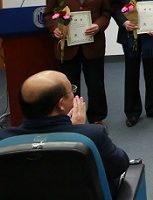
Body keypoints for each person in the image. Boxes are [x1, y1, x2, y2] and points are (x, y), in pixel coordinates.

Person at [0, 70, 129, 197]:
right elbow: (119, 165)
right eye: (72, 90)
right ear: (61, 104)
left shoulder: (3, 140)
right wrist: (78, 132)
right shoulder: (92, 135)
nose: (74, 94)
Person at [44, 0, 111, 125]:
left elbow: (106, 12)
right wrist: (54, 29)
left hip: (93, 43)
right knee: (68, 86)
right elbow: (48, 14)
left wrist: (98, 25)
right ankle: (69, 118)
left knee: (96, 84)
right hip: (67, 45)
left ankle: (97, 118)